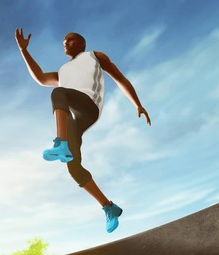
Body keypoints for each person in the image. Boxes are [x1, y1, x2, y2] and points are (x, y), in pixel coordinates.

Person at [15, 28, 151, 233]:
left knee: (59, 93)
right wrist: (24, 50)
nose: (65, 43)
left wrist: (137, 104)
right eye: (64, 41)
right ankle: (109, 207)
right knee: (73, 167)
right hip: (74, 116)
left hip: (89, 106)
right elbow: (41, 78)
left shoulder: (94, 56)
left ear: (81, 43)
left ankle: (60, 143)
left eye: (70, 40)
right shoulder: (63, 72)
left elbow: (119, 78)